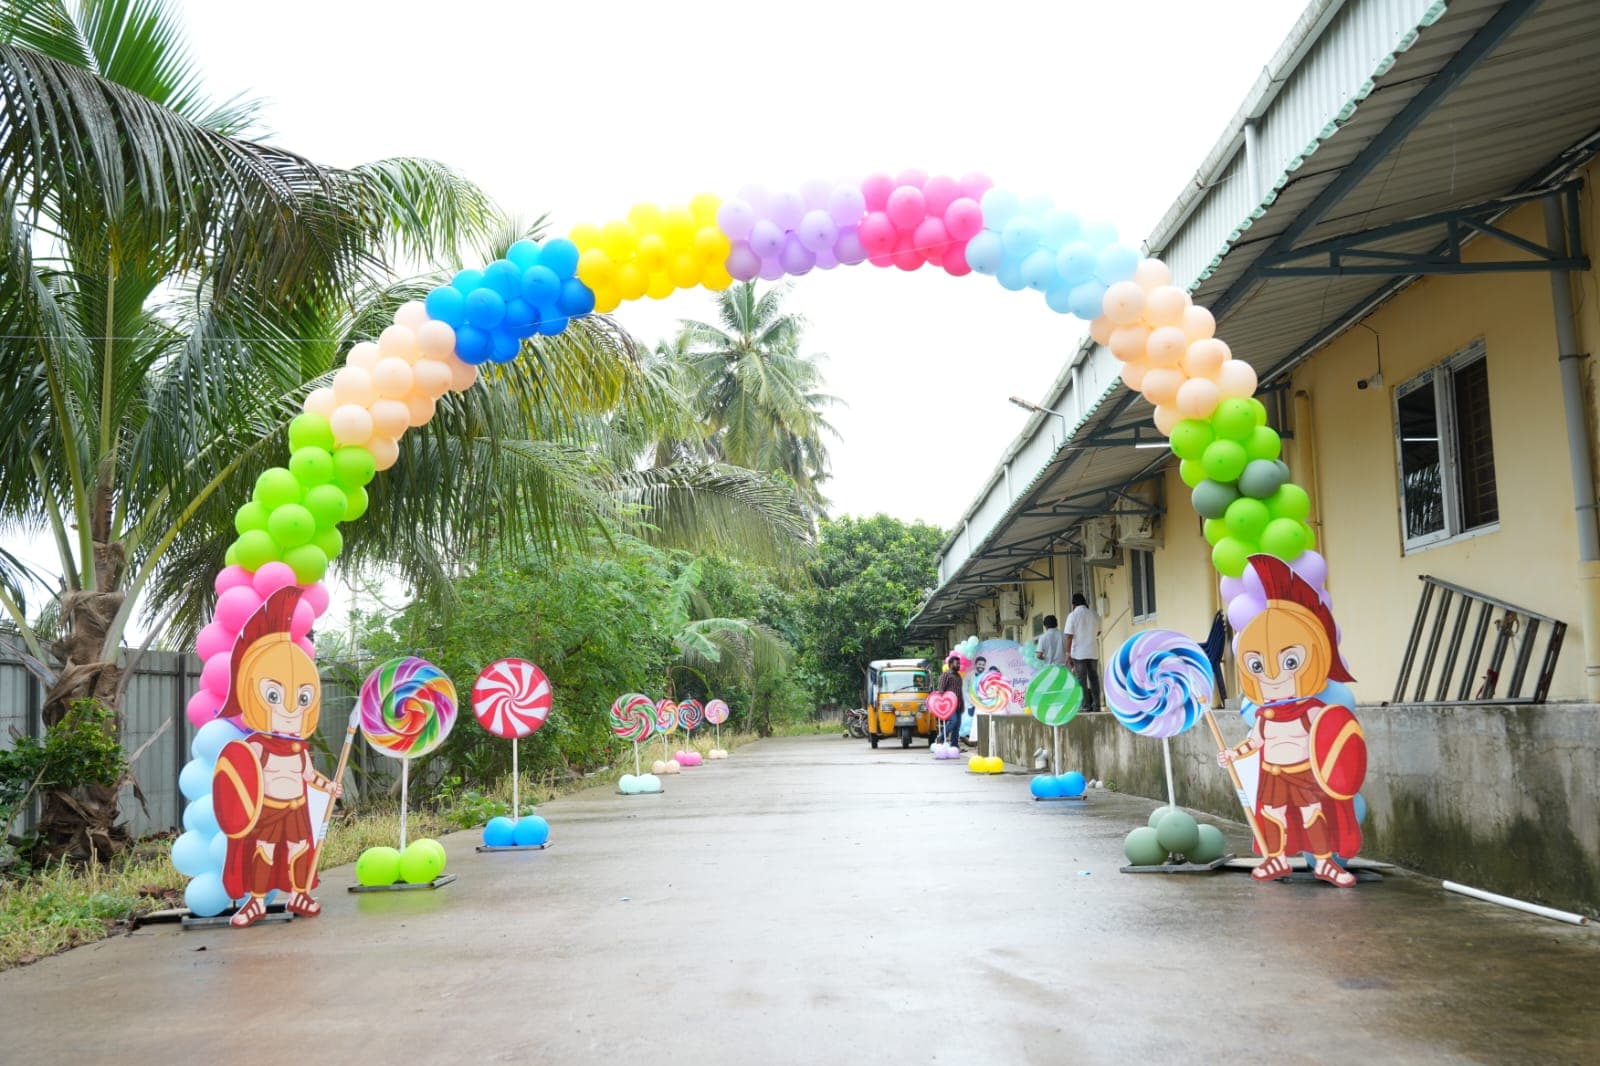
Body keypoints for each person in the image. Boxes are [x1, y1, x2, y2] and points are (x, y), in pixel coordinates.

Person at [1218, 556, 1365, 888]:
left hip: (1303, 772)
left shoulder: (1313, 710)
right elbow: (1254, 742)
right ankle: (1277, 858)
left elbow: (1333, 737)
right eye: (1257, 665)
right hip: (1273, 772)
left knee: (1315, 814)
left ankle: (1325, 862)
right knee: (1273, 815)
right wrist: (1233, 754)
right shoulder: (1264, 714)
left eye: (1289, 661)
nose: (1273, 675)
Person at [1064, 593, 1102, 713]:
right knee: (1094, 679)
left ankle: (1085, 706)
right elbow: (1098, 632)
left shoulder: (1072, 615)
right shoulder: (1094, 614)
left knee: (1081, 680)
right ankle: (1097, 705)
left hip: (1079, 653)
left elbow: (1069, 636)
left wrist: (1067, 654)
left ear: (1073, 604)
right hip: (1093, 651)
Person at [935, 656, 965, 747]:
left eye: (959, 663)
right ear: (951, 664)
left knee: (957, 726)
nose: (959, 665)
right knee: (953, 721)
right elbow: (941, 690)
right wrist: (942, 704)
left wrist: (962, 705)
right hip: (950, 705)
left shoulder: (958, 676)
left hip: (959, 705)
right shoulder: (946, 675)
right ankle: (941, 738)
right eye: (957, 663)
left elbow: (959, 692)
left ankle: (954, 745)